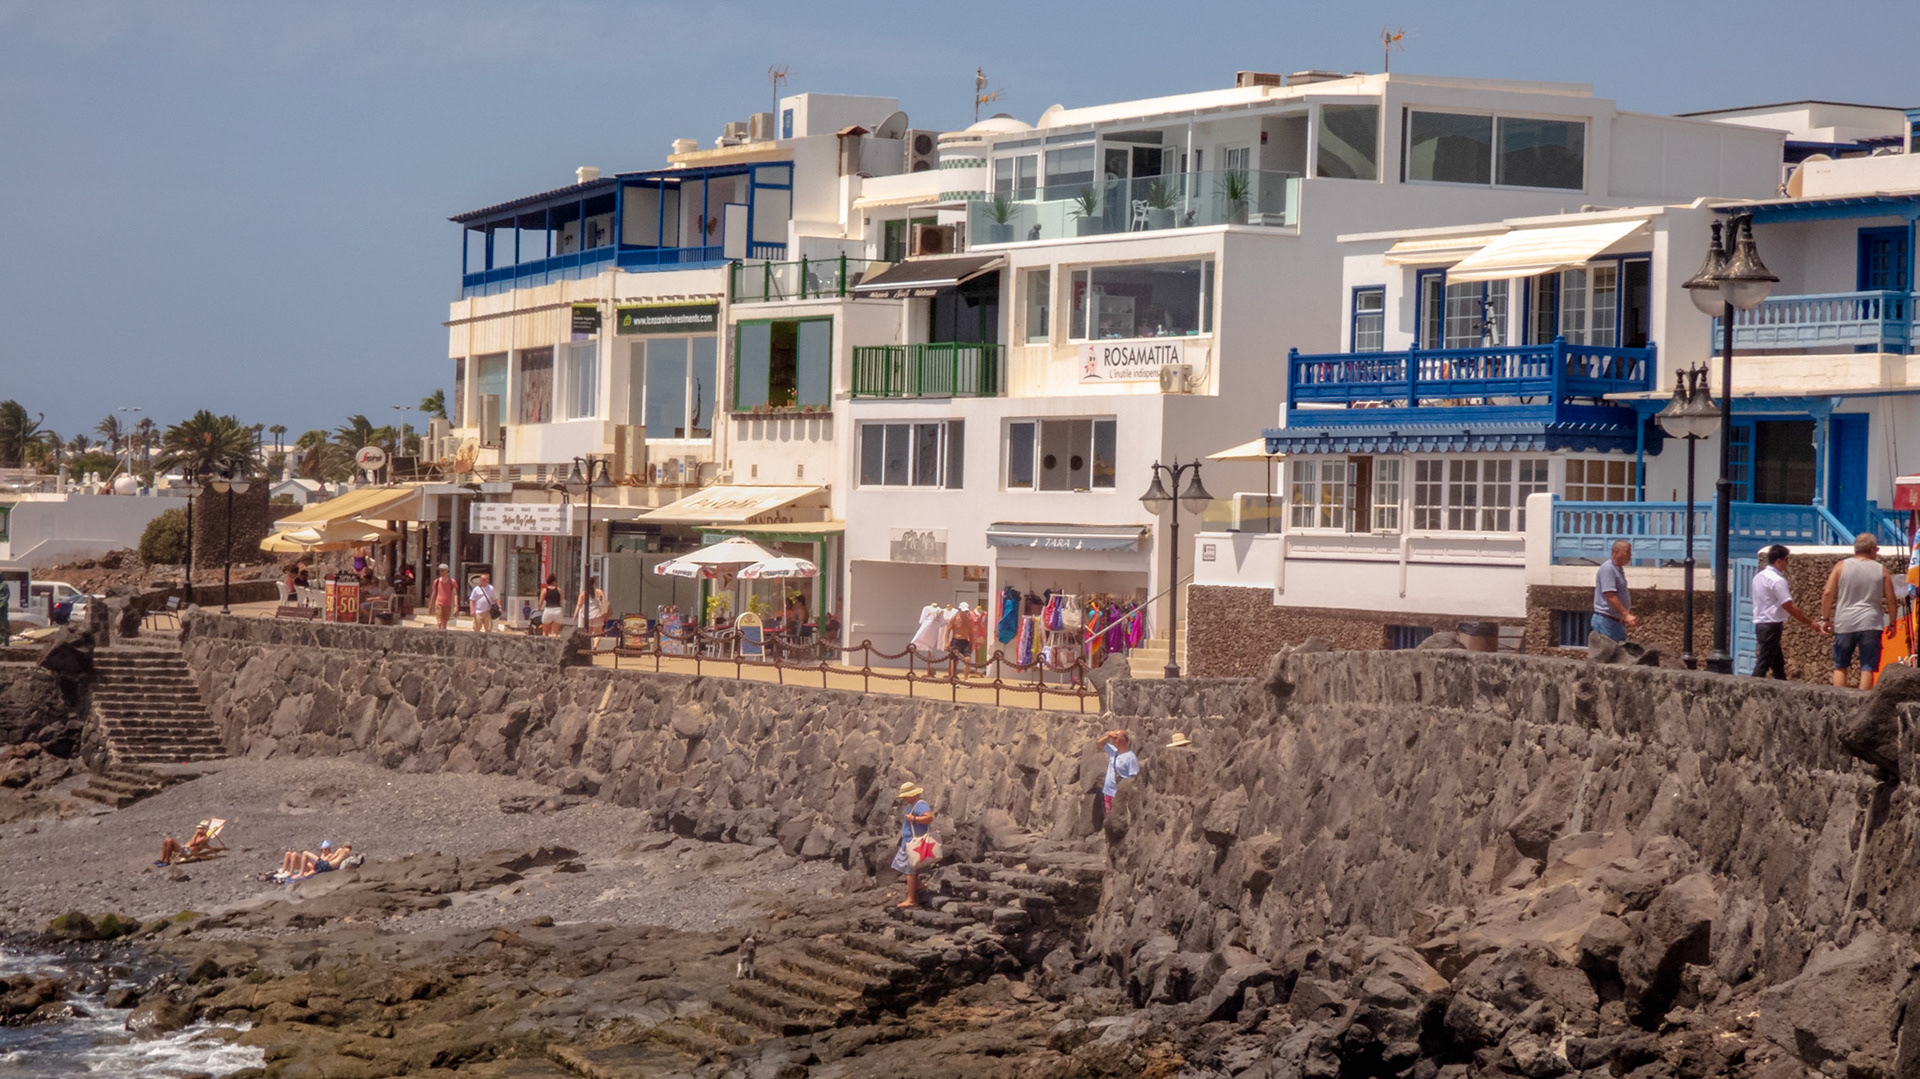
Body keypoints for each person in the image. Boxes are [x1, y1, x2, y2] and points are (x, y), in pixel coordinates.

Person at [1822, 533, 1898, 689]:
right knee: (1868, 666)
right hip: (1871, 622)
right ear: (1871, 550)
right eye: (1876, 550)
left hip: (1845, 621)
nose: (1876, 553)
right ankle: (1863, 703)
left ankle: (1838, 700)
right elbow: (1891, 600)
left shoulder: (1841, 566)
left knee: (1841, 664)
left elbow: (1828, 592)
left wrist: (1825, 618)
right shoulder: (1881, 570)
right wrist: (1892, 623)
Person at [1751, 544, 1825, 679]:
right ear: (1778, 561)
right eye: (1786, 560)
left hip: (1761, 624)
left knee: (1777, 662)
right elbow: (1788, 606)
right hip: (1771, 625)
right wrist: (1811, 623)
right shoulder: (1777, 580)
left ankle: (1782, 685)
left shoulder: (1759, 577)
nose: (1787, 563)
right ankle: (1748, 691)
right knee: (1764, 662)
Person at [891, 782, 933, 909]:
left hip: (913, 843)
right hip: (908, 842)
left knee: (910, 870)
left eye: (905, 796)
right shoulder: (912, 805)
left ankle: (911, 899)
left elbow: (929, 817)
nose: (904, 799)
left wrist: (913, 819)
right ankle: (919, 886)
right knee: (902, 865)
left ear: (912, 795)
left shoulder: (920, 805)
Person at [1591, 540, 1638, 643]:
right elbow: (1610, 595)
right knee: (1608, 654)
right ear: (1616, 553)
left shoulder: (1618, 569)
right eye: (1627, 552)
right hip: (1606, 620)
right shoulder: (1608, 569)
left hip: (1615, 621)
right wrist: (1626, 614)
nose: (1630, 556)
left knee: (1618, 654)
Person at [1097, 728, 1140, 814]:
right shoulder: (1113, 752)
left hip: (1119, 796)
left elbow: (1134, 779)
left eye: (1116, 738)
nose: (1114, 740)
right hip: (1108, 793)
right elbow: (1099, 743)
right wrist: (1108, 735)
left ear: (1124, 740)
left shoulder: (1131, 758)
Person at [279, 840, 352, 880]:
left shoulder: (333, 854)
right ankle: (283, 871)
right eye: (322, 850)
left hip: (312, 869)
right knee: (288, 853)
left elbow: (318, 868)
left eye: (325, 849)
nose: (323, 851)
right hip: (316, 867)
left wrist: (309, 873)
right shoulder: (347, 854)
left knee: (298, 854)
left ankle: (293, 872)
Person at [430, 564, 457, 630]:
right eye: (440, 570)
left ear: (446, 571)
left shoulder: (452, 582)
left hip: (447, 604)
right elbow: (434, 593)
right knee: (439, 621)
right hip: (438, 603)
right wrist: (430, 605)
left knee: (444, 622)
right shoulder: (437, 581)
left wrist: (456, 605)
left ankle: (443, 636)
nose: (440, 572)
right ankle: (438, 633)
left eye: (442, 570)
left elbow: (455, 594)